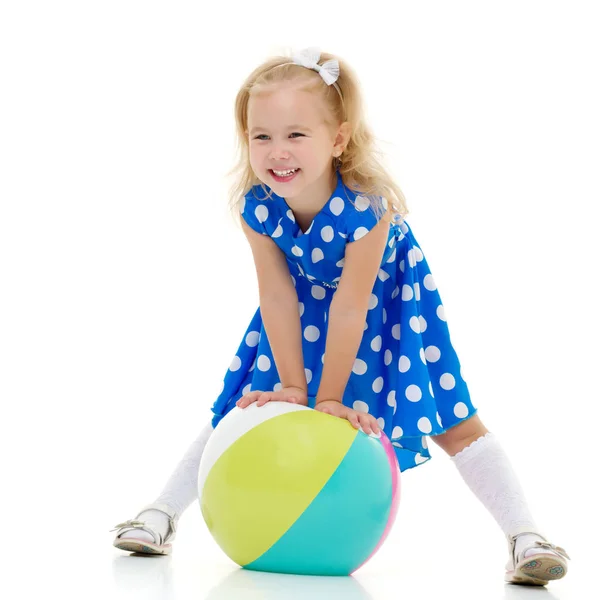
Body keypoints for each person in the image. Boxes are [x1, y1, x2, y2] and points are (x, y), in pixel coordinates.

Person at [110, 47, 570, 586]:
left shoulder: (369, 207)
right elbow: (276, 296)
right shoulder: (257, 207)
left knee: (451, 419)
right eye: (261, 136)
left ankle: (524, 536)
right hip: (301, 308)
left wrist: (328, 399)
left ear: (338, 139)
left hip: (388, 308)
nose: (277, 151)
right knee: (250, 405)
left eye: (296, 135)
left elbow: (354, 304)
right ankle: (162, 513)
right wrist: (290, 385)